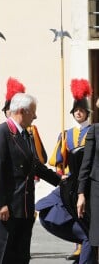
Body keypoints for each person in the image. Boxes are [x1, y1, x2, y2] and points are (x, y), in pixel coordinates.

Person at [0, 92, 62, 264]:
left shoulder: (25, 134)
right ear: (21, 111)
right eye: (32, 112)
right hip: (6, 209)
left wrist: (60, 181)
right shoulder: (1, 133)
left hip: (23, 208)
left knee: (20, 257)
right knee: (1, 257)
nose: (35, 116)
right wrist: (0, 203)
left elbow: (34, 165)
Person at [36, 79, 96, 264]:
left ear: (87, 112)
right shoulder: (66, 134)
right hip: (71, 181)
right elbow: (56, 160)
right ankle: (81, 245)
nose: (79, 112)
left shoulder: (94, 131)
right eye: (76, 110)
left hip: (89, 180)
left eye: (81, 110)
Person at [77, 97, 99, 263]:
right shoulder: (95, 130)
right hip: (97, 191)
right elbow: (86, 165)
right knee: (97, 238)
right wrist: (81, 194)